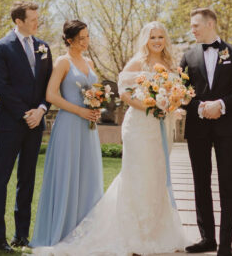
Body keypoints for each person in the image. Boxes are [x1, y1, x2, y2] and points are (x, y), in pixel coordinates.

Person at [34, 21, 187, 256]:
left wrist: (172, 106)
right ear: (145, 40)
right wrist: (149, 106)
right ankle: (132, 232)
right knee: (137, 174)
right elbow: (124, 92)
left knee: (157, 175)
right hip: (139, 126)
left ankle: (155, 232)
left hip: (159, 128)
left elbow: (176, 93)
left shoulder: (169, 64)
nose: (157, 41)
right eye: (152, 37)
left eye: (160, 37)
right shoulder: (138, 61)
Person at [181, 8, 232, 256]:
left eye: (196, 25)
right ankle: (207, 238)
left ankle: (226, 244)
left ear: (211, 24)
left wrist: (220, 105)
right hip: (197, 127)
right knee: (201, 183)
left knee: (227, 184)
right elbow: (180, 91)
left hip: (225, 128)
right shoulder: (188, 56)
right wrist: (199, 107)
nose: (192, 29)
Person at [30, 19, 104, 247]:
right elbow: (51, 96)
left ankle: (86, 234)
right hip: (69, 125)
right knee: (67, 176)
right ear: (69, 40)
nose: (85, 42)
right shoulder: (63, 62)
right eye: (80, 38)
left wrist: (96, 107)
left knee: (87, 177)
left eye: (87, 37)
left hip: (88, 129)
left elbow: (96, 92)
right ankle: (62, 231)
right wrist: (80, 111)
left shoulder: (90, 62)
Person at [0, 1, 53, 252]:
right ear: (19, 21)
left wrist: (41, 110)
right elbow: (1, 85)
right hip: (10, 123)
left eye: (38, 18)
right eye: (33, 18)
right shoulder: (1, 47)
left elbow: (49, 85)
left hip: (36, 123)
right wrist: (24, 113)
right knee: (1, 179)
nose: (37, 22)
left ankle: (22, 235)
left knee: (26, 179)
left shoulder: (43, 47)